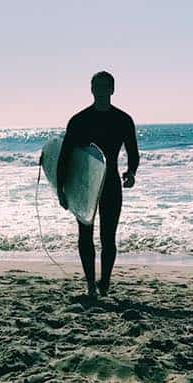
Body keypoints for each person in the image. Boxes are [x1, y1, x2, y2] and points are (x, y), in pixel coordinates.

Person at [57, 71, 139, 298]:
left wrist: (131, 172)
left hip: (110, 183)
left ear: (113, 90)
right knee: (85, 234)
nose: (102, 91)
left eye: (106, 87)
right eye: (98, 86)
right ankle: (90, 284)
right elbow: (64, 156)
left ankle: (105, 284)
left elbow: (133, 152)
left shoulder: (123, 120)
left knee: (108, 237)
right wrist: (61, 188)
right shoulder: (79, 120)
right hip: (84, 186)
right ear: (92, 89)